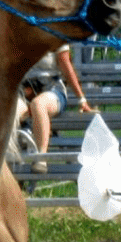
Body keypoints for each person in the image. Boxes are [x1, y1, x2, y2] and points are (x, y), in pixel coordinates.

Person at [14, 43, 97, 174]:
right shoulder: (20, 30)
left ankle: (41, 157)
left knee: (38, 105)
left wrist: (81, 99)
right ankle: (14, 154)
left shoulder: (56, 33)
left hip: (52, 89)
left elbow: (66, 65)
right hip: (25, 89)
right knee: (12, 111)